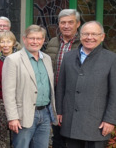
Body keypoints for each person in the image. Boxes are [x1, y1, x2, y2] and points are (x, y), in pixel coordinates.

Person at [56, 21, 116, 148]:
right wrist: (59, 111)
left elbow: (114, 93)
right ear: (80, 35)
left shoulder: (111, 59)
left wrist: (110, 120)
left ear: (102, 37)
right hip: (71, 121)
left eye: (94, 34)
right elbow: (61, 87)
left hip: (97, 124)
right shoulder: (68, 57)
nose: (89, 37)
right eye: (86, 34)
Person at [2, 25, 57, 148]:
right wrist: (12, 118)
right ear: (24, 39)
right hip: (23, 116)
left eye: (39, 38)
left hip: (45, 114)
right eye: (32, 38)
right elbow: (8, 92)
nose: (35, 41)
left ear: (43, 40)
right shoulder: (13, 60)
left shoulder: (47, 59)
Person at [43, 9, 81, 148]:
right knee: (57, 136)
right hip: (54, 95)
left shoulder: (84, 43)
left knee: (73, 136)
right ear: (58, 24)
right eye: (63, 22)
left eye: (70, 22)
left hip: (75, 96)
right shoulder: (52, 42)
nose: (66, 26)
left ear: (78, 24)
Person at [0, 31, 17, 148]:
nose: (5, 44)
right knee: (2, 135)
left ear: (14, 43)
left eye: (8, 41)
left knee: (17, 133)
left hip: (16, 101)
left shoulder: (19, 59)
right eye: (2, 42)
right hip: (0, 101)